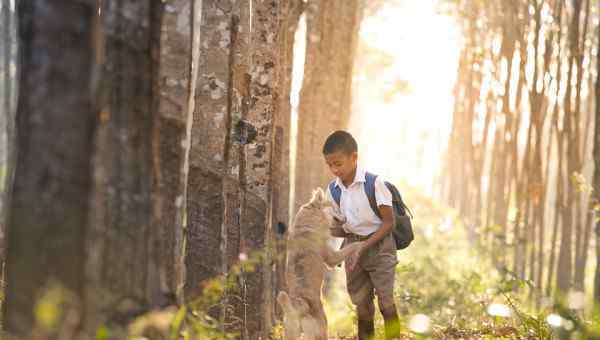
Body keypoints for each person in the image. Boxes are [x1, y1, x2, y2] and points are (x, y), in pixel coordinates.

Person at [323, 130, 400, 340]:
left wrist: (363, 247)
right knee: (362, 307)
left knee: (386, 303)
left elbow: (389, 222)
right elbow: (341, 227)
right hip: (352, 249)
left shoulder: (374, 184)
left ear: (354, 157)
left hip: (380, 247)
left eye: (338, 163)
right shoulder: (333, 191)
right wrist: (321, 230)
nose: (333, 169)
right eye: (329, 165)